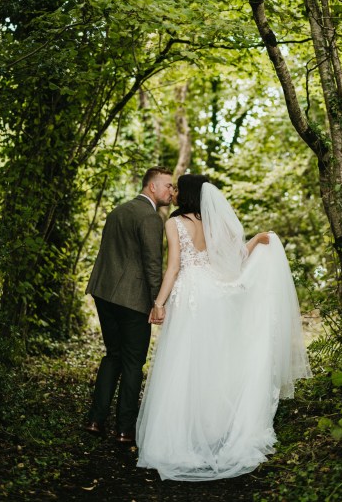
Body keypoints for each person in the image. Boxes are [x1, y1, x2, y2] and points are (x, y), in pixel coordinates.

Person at [136, 174, 312, 480]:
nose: (174, 193)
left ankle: (184, 438)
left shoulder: (174, 223)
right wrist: (256, 239)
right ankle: (212, 433)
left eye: (178, 188)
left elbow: (174, 266)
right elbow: (235, 257)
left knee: (185, 364)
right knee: (211, 363)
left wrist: (159, 302)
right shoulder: (212, 223)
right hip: (213, 292)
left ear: (187, 194)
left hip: (190, 293)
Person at [85, 166, 174, 443]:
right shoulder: (150, 217)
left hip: (104, 292)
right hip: (132, 300)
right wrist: (157, 302)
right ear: (152, 187)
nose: (172, 192)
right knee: (134, 362)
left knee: (113, 355)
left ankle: (95, 420)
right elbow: (152, 264)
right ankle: (124, 428)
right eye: (168, 186)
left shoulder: (117, 211)